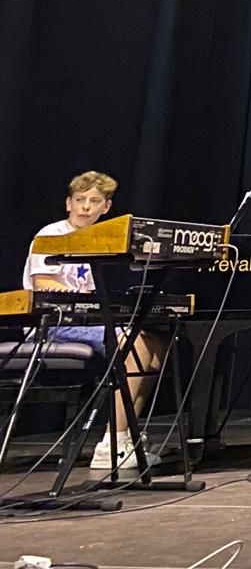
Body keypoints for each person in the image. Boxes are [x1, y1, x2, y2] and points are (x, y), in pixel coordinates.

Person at [22, 171, 168, 470]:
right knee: (133, 346)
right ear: (68, 203)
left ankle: (123, 437)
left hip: (82, 321)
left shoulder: (91, 243)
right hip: (52, 324)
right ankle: (110, 445)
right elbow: (44, 285)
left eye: (94, 201)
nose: (85, 207)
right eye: (79, 200)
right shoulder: (51, 235)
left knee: (155, 349)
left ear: (106, 208)